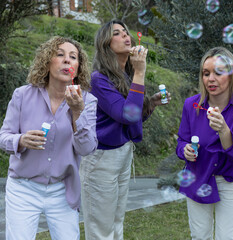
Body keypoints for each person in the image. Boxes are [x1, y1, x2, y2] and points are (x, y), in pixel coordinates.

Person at [79, 19, 170, 240]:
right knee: (102, 228)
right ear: (106, 44)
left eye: (125, 32)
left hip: (122, 154)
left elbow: (131, 118)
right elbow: (125, 115)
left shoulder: (125, 76)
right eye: (117, 33)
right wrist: (140, 72)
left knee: (117, 221)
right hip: (101, 159)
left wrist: (151, 104)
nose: (126, 36)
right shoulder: (98, 79)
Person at [0, 36, 98, 239]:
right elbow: (3, 137)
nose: (67, 60)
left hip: (63, 191)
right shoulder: (23, 95)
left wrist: (77, 112)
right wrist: (20, 140)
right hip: (23, 189)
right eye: (60, 54)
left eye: (73, 57)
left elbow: (87, 149)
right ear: (47, 62)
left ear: (78, 68)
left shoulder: (87, 101)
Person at [176, 47, 233, 240]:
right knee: (199, 236)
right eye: (206, 73)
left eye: (218, 72)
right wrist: (184, 150)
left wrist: (223, 130)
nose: (210, 79)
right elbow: (182, 141)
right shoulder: (191, 105)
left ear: (231, 75)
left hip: (230, 179)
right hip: (198, 176)